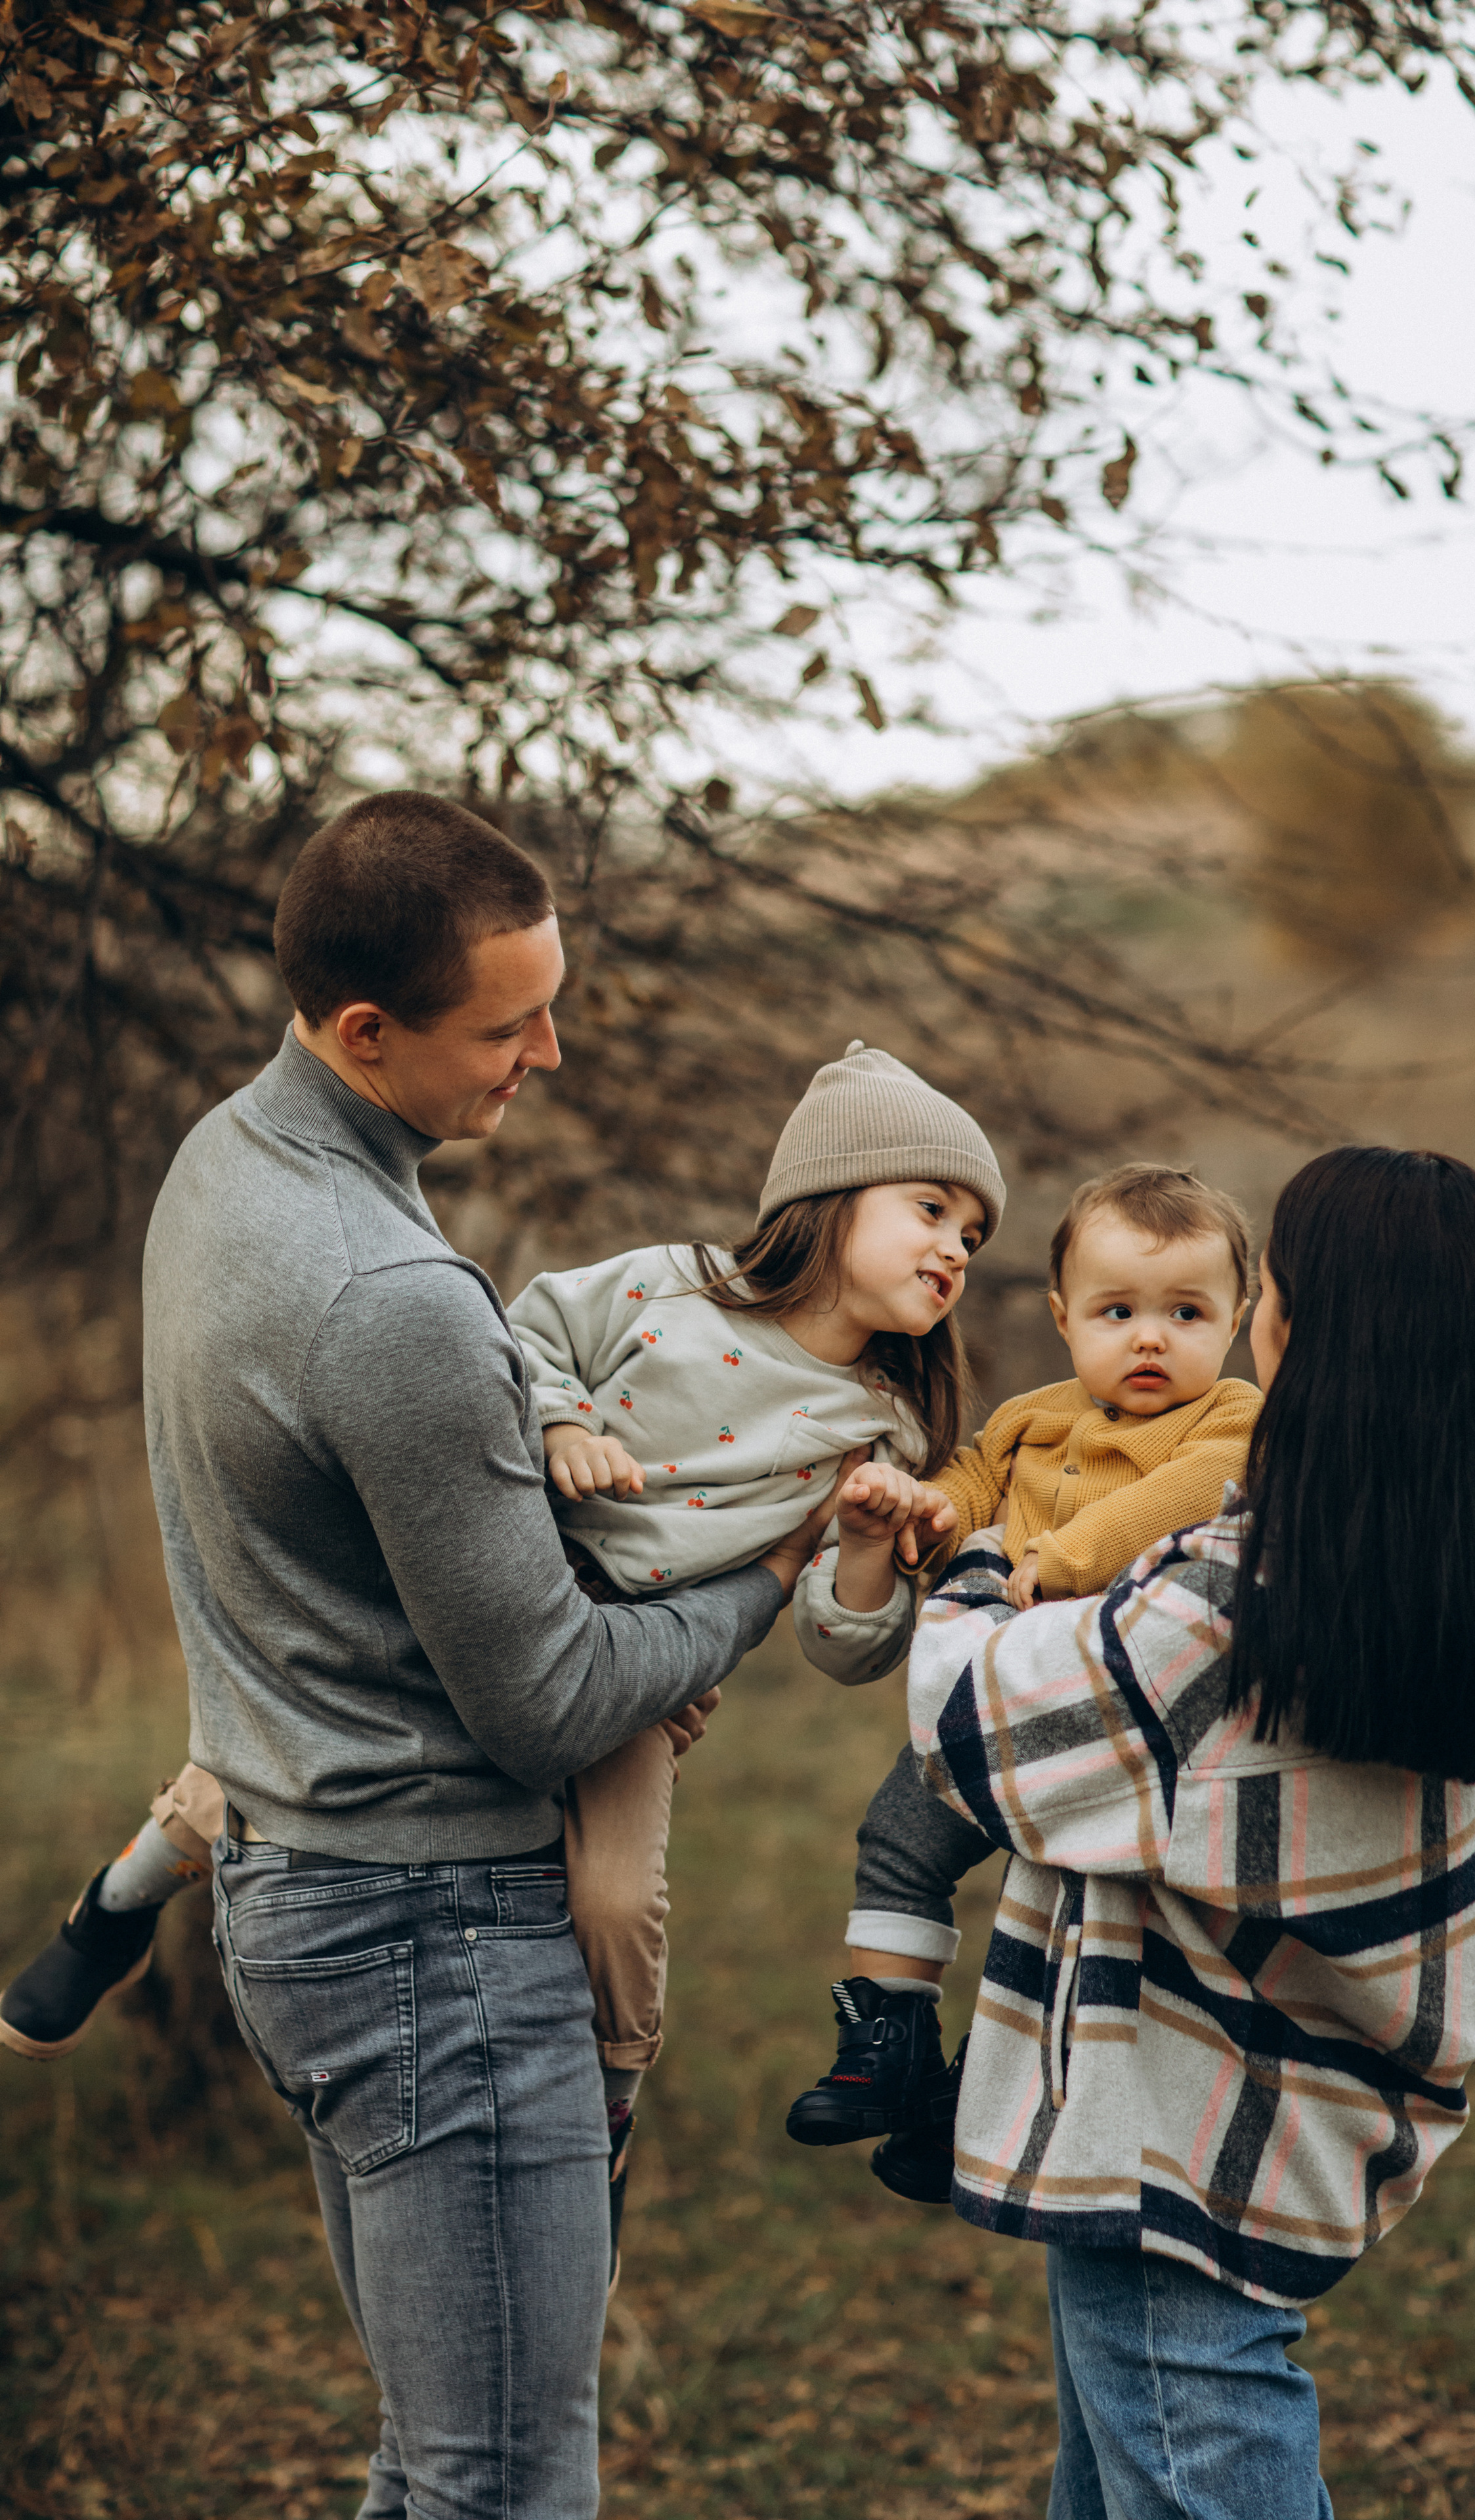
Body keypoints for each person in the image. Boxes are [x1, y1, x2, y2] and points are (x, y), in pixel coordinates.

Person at [16, 788, 853, 2520]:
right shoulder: (389, 1296)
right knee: (502, 2485)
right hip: (433, 1944)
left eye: (552, 999)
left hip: (305, 1892)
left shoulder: (220, 1162)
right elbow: (545, 1698)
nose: (548, 1051)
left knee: (441, 2464)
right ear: (365, 1030)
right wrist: (772, 1569)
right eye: (509, 1023)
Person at [0, 1041, 999, 2278]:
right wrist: (567, 1420)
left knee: (617, 1901)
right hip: (501, 1584)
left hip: (637, 1671)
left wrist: (854, 1551)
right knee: (269, 1769)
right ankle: (116, 1906)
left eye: (975, 1234)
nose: (958, 1249)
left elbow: (846, 1650)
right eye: (932, 1210)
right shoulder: (668, 1286)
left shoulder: (886, 1425)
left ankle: (612, 2114)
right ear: (831, 1196)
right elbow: (515, 1334)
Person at [904, 1146, 1475, 2520]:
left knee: (1199, 2461)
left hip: (1175, 2114)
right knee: (1118, 2480)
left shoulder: (1246, 1590)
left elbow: (973, 1720)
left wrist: (983, 1562)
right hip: (1327, 2087)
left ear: (1299, 1326)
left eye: (1262, 1289)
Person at [785, 1164, 1264, 2202]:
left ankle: (974, 2102)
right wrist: (932, 1507)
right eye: (1117, 1311)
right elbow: (971, 1477)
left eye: (1187, 1312)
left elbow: (1185, 1495)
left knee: (1059, 1922)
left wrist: (1065, 1556)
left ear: (1239, 1317)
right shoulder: (1029, 1421)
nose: (1150, 1337)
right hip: (999, 1716)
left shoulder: (1230, 1417)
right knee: (899, 1842)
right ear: (1063, 1317)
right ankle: (891, 2046)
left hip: (1121, 1734)